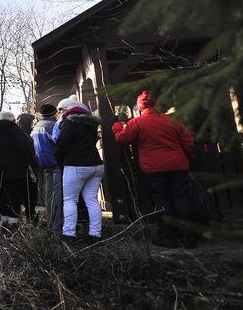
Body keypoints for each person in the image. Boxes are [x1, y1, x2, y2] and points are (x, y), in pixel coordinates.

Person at [113, 89, 196, 248]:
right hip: (178, 165)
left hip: (153, 168)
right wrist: (189, 160)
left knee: (162, 201)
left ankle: (167, 237)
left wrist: (117, 125)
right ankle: (188, 238)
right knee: (182, 199)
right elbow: (188, 142)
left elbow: (122, 139)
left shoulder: (137, 122)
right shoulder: (174, 120)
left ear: (139, 106)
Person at [55, 101, 104, 242]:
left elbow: (61, 144)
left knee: (70, 200)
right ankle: (95, 233)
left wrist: (60, 161)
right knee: (92, 200)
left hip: (75, 165)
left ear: (67, 111)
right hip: (96, 164)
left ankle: (69, 233)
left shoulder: (69, 122)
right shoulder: (91, 124)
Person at [0, 111, 38, 233]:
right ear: (13, 120)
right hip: (16, 170)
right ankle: (13, 224)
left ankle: (4, 223)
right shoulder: (17, 132)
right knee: (15, 196)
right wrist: (31, 165)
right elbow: (26, 149)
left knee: (2, 196)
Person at [32, 103, 62, 231]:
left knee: (48, 196)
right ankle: (56, 225)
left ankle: (49, 223)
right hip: (55, 164)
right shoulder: (53, 125)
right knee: (57, 196)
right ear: (54, 113)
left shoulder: (37, 126)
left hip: (43, 165)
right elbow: (59, 143)